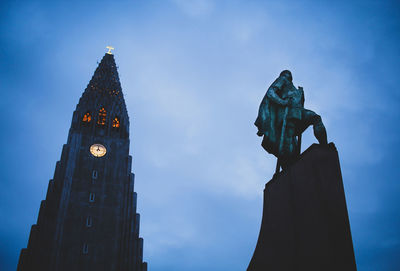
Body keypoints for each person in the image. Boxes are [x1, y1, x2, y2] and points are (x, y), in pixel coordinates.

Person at [255, 70, 327, 169]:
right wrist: (282, 102)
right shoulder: (282, 79)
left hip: (299, 112)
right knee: (289, 146)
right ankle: (287, 168)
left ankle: (324, 146)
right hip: (287, 114)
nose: (289, 74)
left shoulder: (296, 89)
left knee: (316, 118)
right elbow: (270, 92)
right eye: (287, 73)